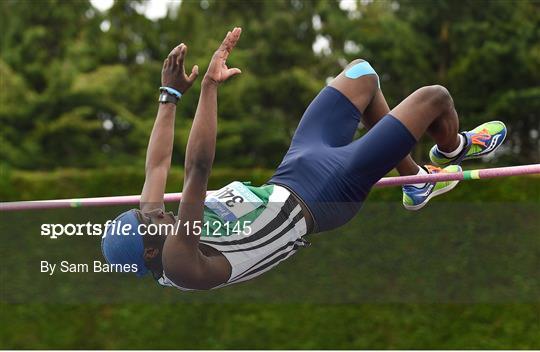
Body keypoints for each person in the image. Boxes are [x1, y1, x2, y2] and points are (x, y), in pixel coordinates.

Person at [101, 27, 507, 290]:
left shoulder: (154, 232)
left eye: (149, 213)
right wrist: (208, 87)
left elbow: (156, 166)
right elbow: (197, 171)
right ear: (151, 254)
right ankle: (454, 148)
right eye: (152, 223)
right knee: (434, 98)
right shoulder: (179, 263)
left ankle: (416, 181)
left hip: (293, 172)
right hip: (324, 199)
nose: (158, 213)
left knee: (360, 75)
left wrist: (169, 96)